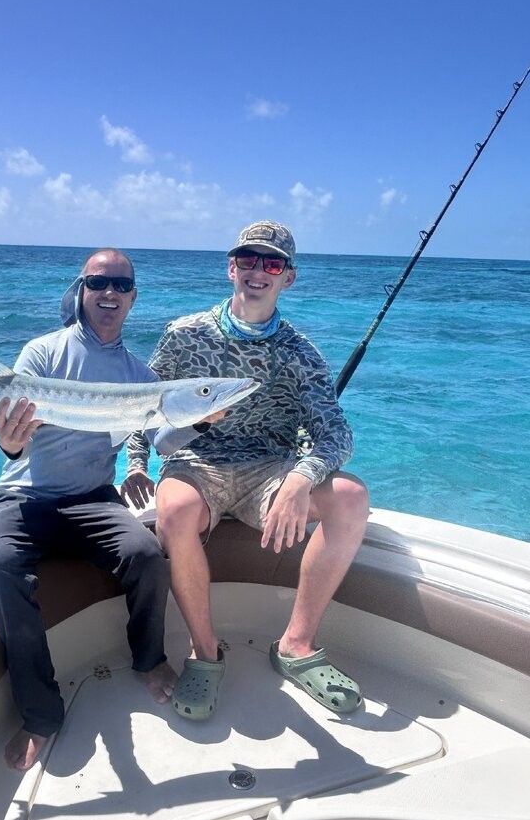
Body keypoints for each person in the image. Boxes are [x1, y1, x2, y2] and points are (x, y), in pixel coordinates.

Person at [124, 221, 370, 720]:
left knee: (350, 496)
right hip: (196, 464)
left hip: (270, 470)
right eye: (249, 260)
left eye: (272, 263)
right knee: (172, 510)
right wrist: (134, 462)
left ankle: (296, 645)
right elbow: (142, 406)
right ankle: (205, 651)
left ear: (288, 278)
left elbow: (336, 434)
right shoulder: (184, 334)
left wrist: (301, 479)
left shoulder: (301, 354)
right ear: (231, 267)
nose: (259, 271)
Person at [0, 248, 202, 772]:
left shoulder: (139, 375)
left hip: (93, 499)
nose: (109, 293)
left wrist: (204, 419)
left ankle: (149, 660)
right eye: (98, 282)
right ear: (81, 290)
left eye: (121, 285)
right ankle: (40, 714)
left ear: (133, 298)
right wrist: (9, 445)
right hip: (24, 495)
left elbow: (162, 438)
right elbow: (15, 441)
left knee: (146, 553)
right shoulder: (42, 352)